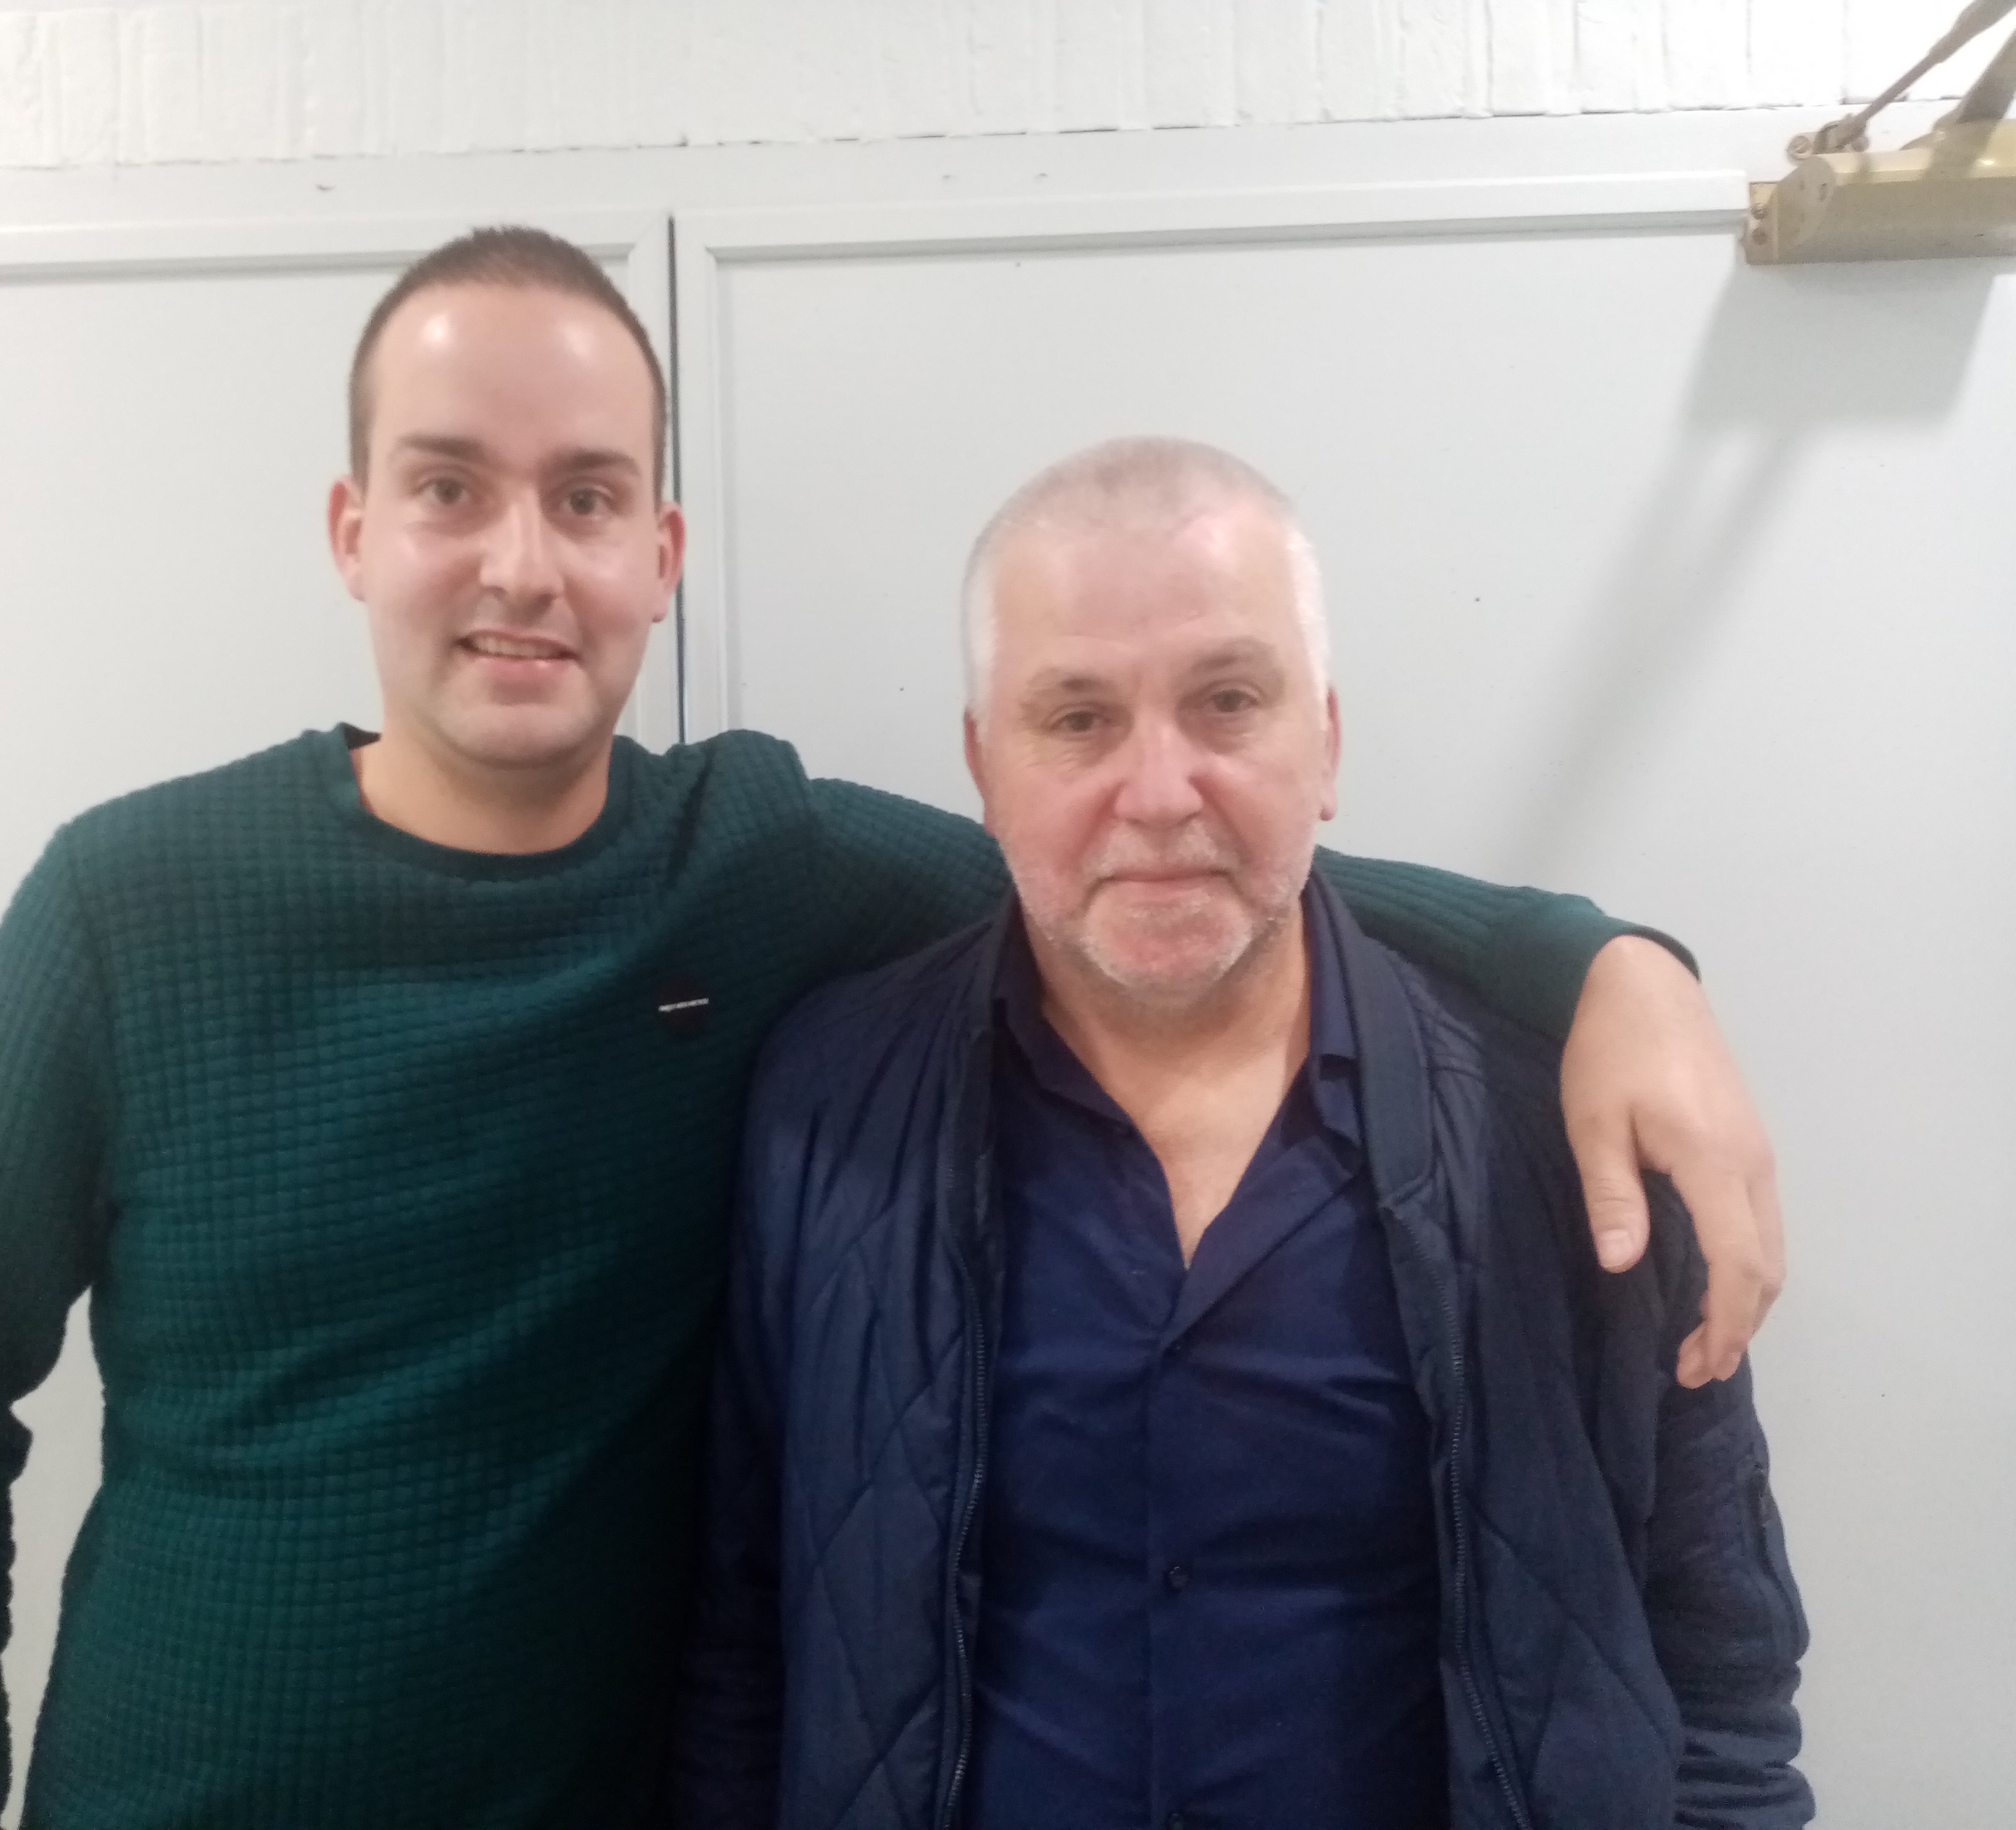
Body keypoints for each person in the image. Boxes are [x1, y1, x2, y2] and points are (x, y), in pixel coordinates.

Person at [0, 231, 1784, 1830]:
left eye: (587, 497)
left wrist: (1603, 959)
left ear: (660, 556)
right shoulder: (128, 907)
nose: (520, 563)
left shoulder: (754, 870)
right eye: (448, 488)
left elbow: (1152, 868)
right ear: (352, 529)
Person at [673, 438, 1811, 1830]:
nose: (1159, 794)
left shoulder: (1568, 1128)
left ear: (1323, 741)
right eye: (1076, 718)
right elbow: (745, 1649)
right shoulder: (827, 1109)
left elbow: (1721, 1671)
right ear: (983, 764)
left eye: (1225, 702)